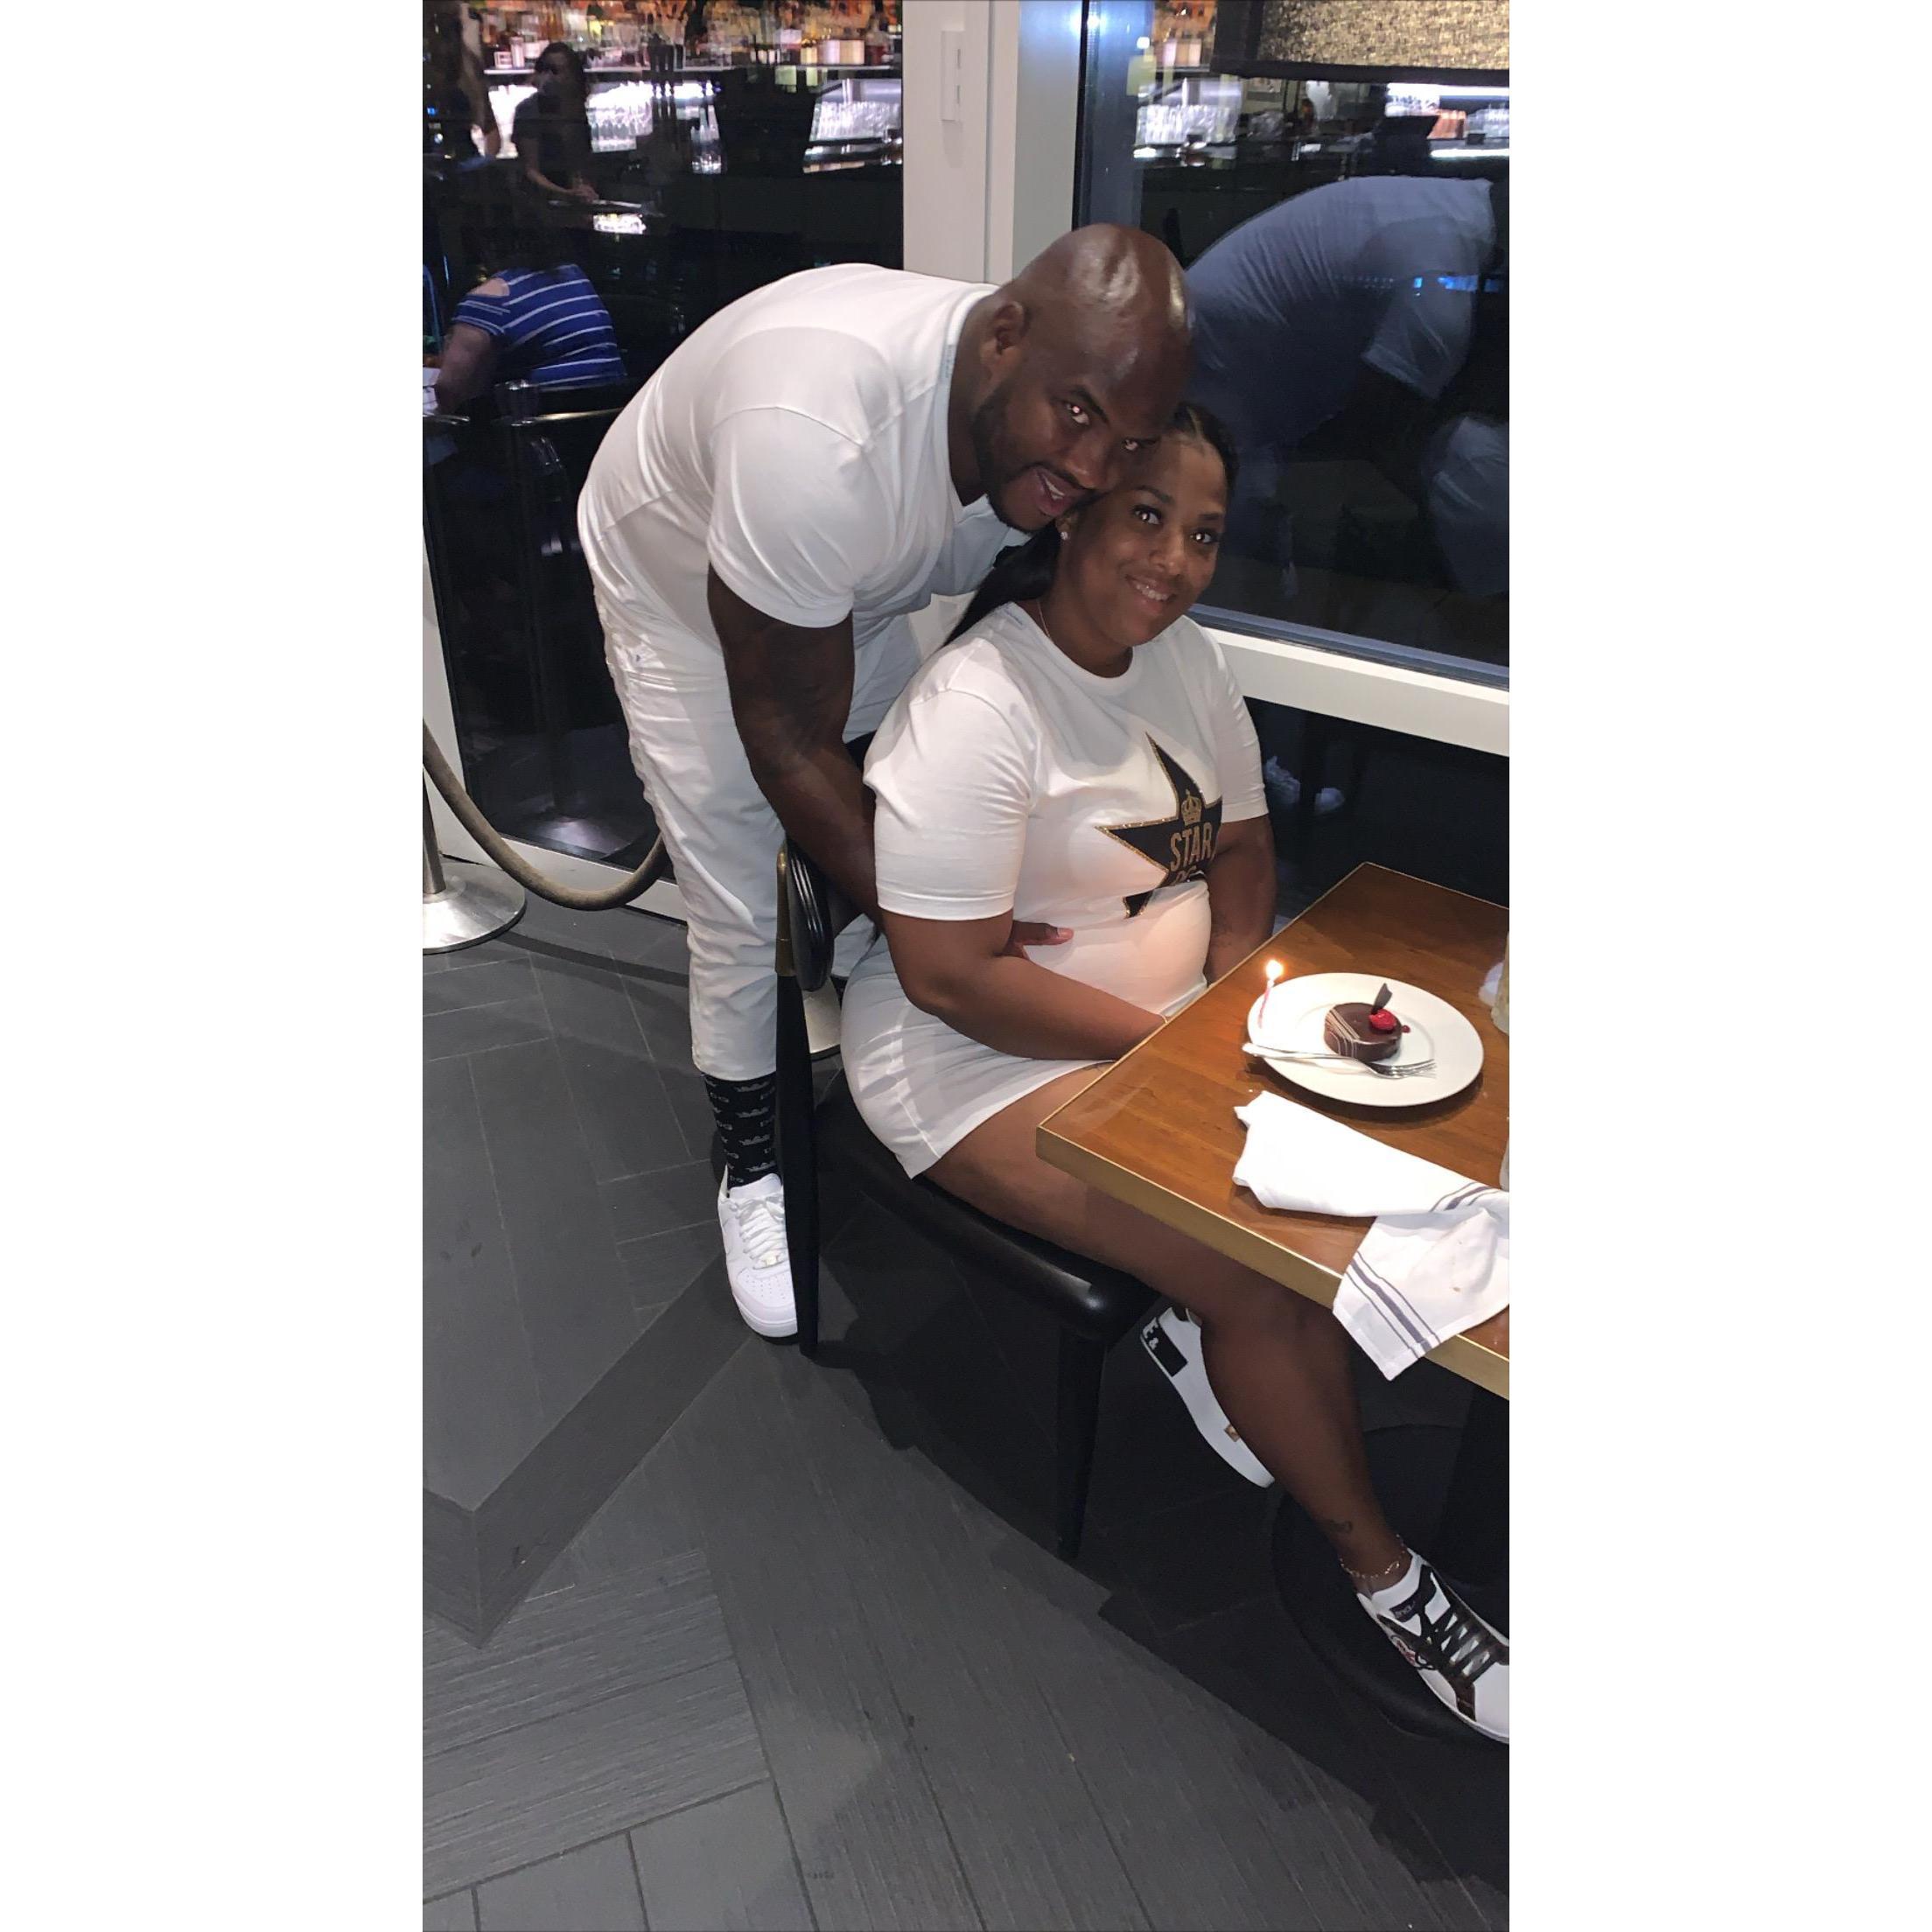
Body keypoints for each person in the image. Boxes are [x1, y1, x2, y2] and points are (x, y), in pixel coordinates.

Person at [838, 410, 1508, 1742]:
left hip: (1166, 1029)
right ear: (1072, 515)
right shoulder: (980, 705)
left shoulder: (1184, 661)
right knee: (1264, 1272)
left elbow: (1244, 848)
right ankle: (1389, 1581)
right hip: (974, 1065)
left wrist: (1230, 991)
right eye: (1146, 516)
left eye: (1203, 533)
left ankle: (1204, 1324)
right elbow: (952, 978)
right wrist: (1177, 1050)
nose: (1176, 561)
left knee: (1378, 1188)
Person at [578, 227, 1190, 1340]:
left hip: (835, 574)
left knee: (908, 805)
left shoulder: (1042, 390)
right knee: (741, 881)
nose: (1100, 468)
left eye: (1130, 440)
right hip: (679, 588)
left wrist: (945, 897)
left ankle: (894, 1027)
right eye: (1079, 418)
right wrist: (948, 937)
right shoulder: (816, 438)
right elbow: (786, 742)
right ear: (1002, 338)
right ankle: (751, 1155)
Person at [434, 198, 625, 410]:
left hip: (540, 424)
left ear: (485, 243)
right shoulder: (574, 276)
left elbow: (449, 390)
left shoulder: (490, 301)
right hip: (611, 417)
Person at [514, 42, 598, 201]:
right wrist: (567, 193)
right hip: (540, 201)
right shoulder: (529, 110)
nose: (548, 76)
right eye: (544, 69)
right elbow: (531, 170)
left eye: (555, 70)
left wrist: (584, 189)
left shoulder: (575, 108)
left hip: (570, 198)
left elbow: (581, 163)